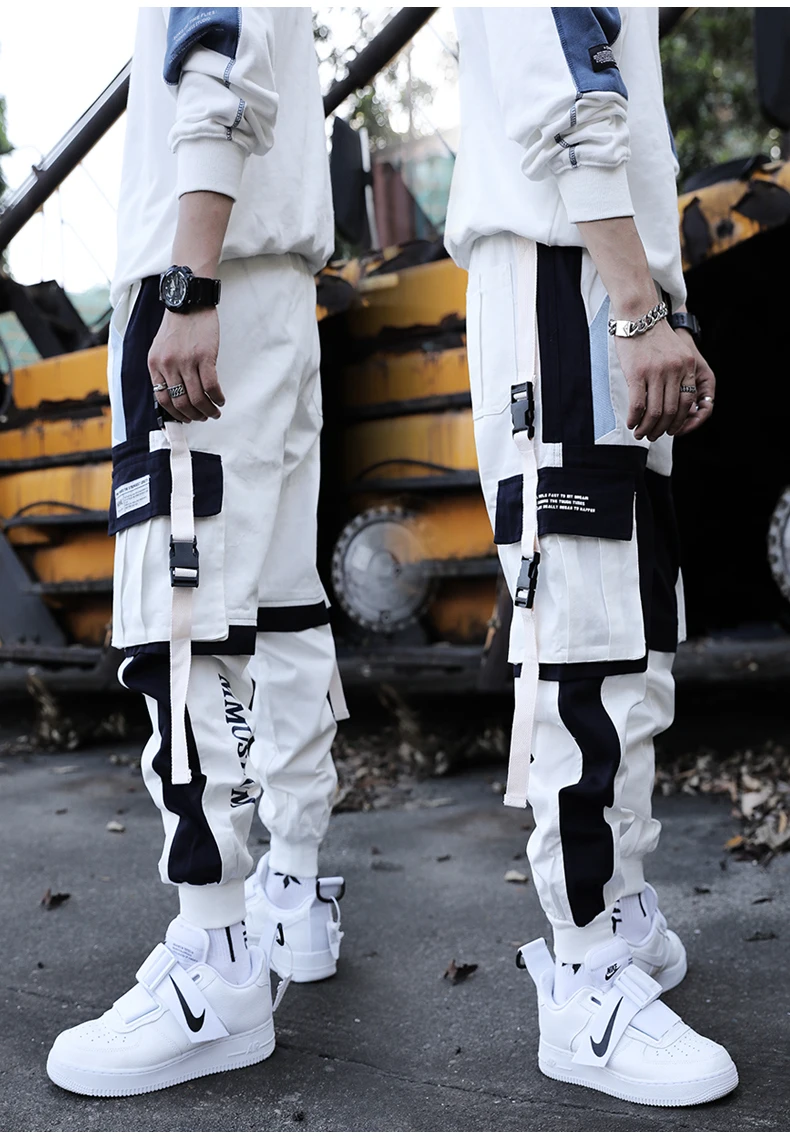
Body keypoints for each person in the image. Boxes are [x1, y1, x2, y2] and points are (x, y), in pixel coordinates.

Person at [46, 7, 347, 1097]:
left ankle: (216, 960)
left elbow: (214, 60)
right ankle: (292, 891)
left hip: (203, 287)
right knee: (280, 604)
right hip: (281, 293)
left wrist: (186, 281)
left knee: (181, 620)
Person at [445, 7, 737, 1106]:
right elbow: (562, 81)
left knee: (632, 628)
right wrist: (635, 304)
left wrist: (659, 302)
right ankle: (582, 974)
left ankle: (618, 908)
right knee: (578, 627)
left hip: (603, 277)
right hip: (562, 272)